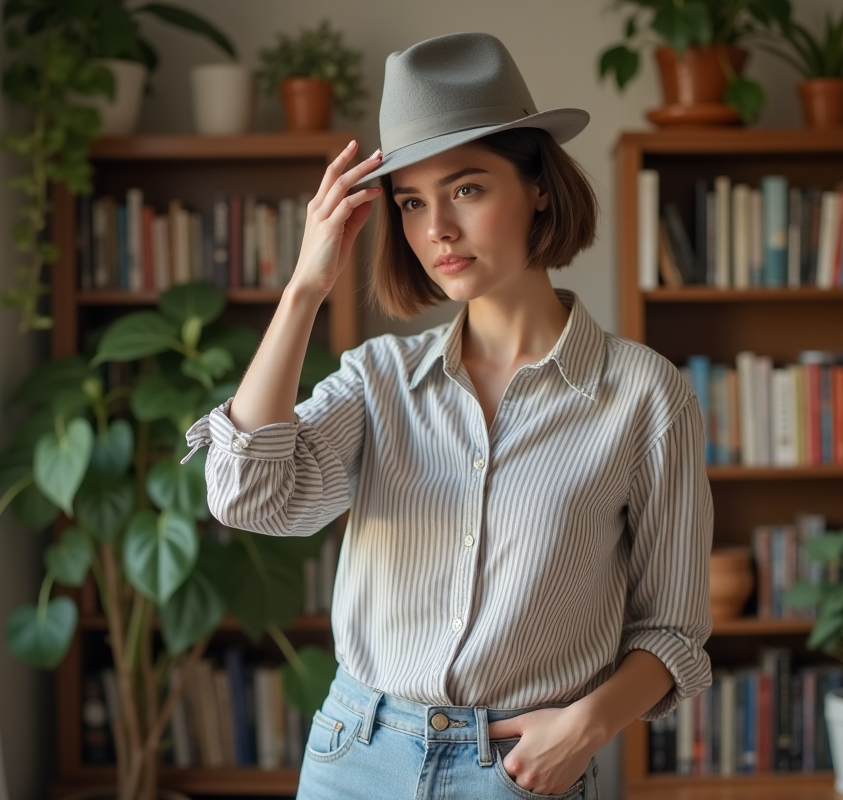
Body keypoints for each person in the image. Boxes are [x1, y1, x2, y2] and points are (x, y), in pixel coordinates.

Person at [183, 31, 712, 800]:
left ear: (537, 185)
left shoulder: (643, 396)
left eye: (466, 189)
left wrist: (585, 726)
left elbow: (674, 631)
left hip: (521, 769)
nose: (437, 229)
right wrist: (305, 287)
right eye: (410, 202)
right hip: (353, 756)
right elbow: (250, 496)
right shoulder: (378, 379)